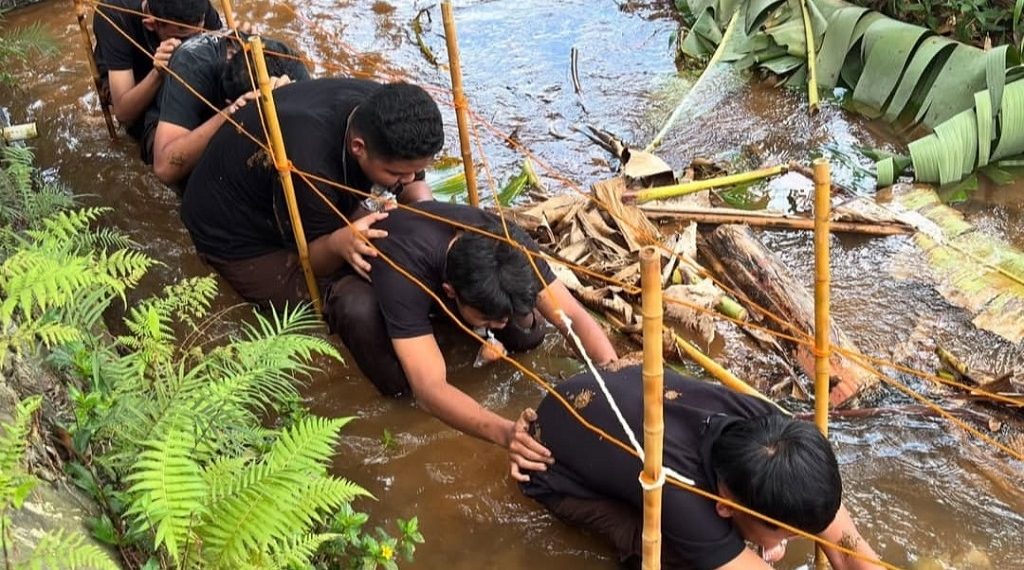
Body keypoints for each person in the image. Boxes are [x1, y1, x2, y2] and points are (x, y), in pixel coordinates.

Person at [321, 200, 618, 476]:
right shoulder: (403, 274)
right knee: (398, 380)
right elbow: (429, 390)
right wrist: (506, 433)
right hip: (374, 278)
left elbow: (573, 316)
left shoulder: (511, 246)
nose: (499, 324)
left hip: (456, 276)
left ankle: (479, 324)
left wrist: (612, 374)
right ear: (450, 293)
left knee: (526, 335)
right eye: (490, 319)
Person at [519, 365, 883, 570]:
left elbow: (848, 547)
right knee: (678, 559)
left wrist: (775, 538)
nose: (798, 539)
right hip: (549, 464)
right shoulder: (683, 494)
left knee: (766, 544)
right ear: (724, 506)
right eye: (790, 534)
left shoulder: (774, 428)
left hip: (604, 387)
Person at [181, 77, 441, 309]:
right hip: (232, 232)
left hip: (288, 187)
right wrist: (337, 243)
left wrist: (427, 213)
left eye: (417, 170)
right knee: (339, 298)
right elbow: (313, 260)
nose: (409, 179)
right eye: (397, 174)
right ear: (358, 147)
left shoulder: (387, 114)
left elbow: (413, 184)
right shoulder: (311, 167)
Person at [152, 33, 310, 185]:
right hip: (179, 127)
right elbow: (164, 169)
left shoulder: (294, 72)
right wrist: (231, 112)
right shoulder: (193, 63)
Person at [92, 0, 222, 154]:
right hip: (135, 77)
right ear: (151, 24)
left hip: (170, 67)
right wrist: (157, 74)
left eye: (198, 35)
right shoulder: (114, 15)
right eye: (183, 39)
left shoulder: (197, 7)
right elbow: (123, 113)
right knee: (165, 147)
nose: (192, 45)